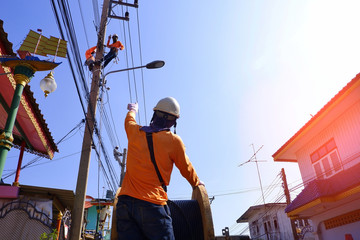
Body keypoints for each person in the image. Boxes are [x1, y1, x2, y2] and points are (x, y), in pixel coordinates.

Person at [116, 97, 203, 240]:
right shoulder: (174, 141)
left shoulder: (134, 131)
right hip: (153, 206)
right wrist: (196, 182)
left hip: (125, 205)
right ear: (173, 121)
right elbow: (185, 167)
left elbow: (129, 119)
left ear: (155, 114)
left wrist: (133, 110)